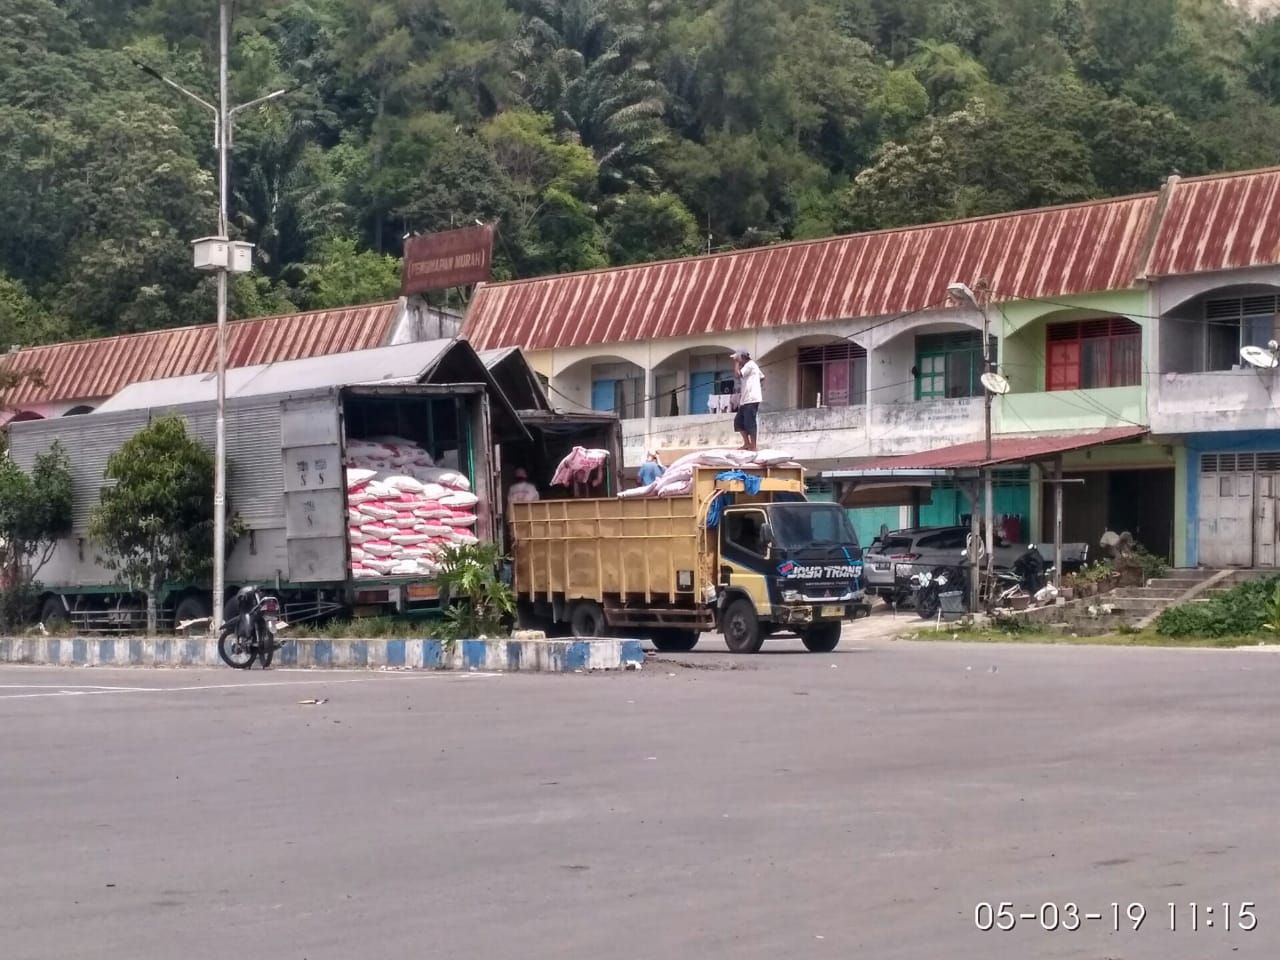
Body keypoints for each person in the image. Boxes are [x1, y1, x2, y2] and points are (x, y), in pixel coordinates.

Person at [731, 348, 764, 451]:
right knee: (739, 421)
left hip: (751, 399)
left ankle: (753, 446)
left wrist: (736, 363)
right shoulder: (750, 366)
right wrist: (756, 385)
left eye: (737, 358)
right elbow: (762, 377)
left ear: (742, 357)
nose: (736, 360)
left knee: (750, 422)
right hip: (746, 399)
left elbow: (737, 375)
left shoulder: (750, 365)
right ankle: (747, 443)